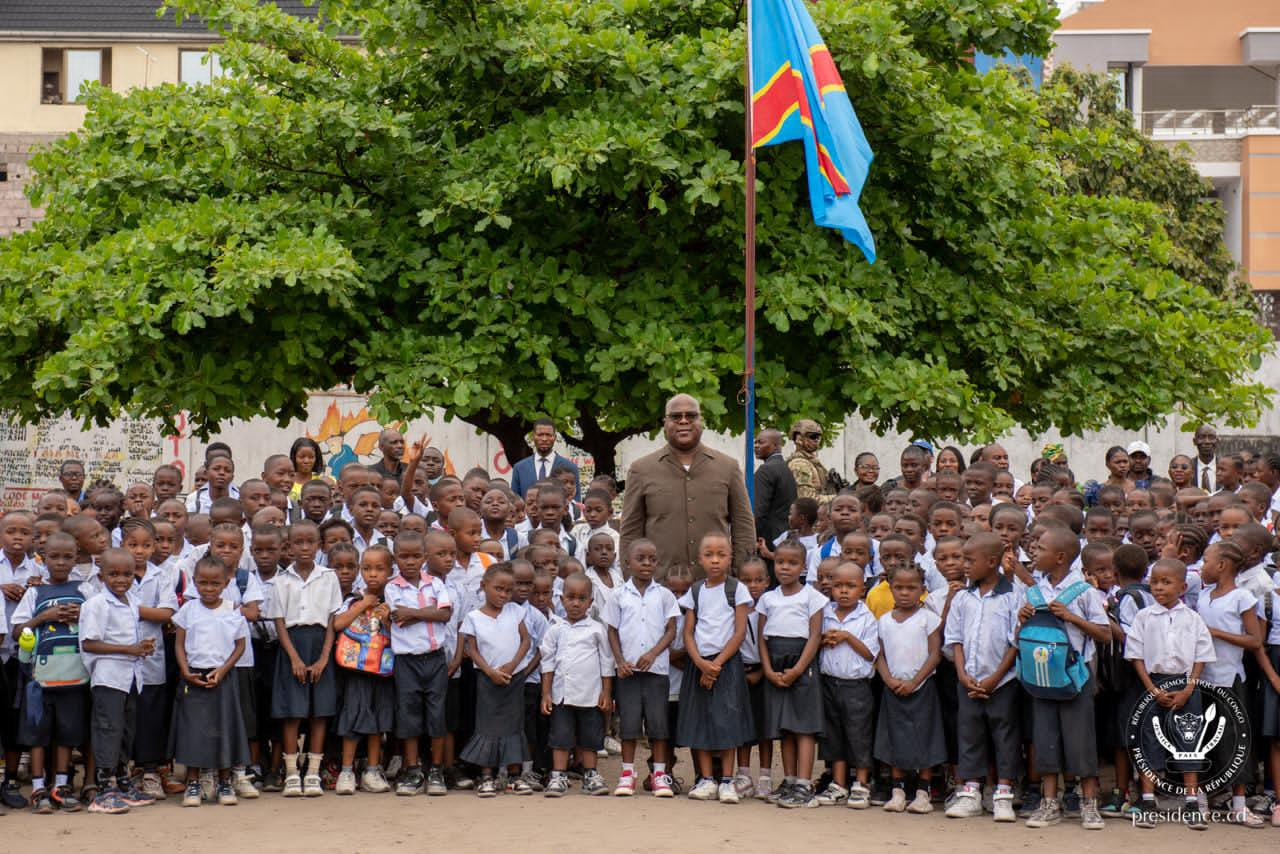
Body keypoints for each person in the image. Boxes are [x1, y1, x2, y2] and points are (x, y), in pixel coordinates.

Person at [1017, 526, 1110, 830]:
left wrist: (1071, 617)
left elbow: (1105, 634)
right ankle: (1048, 803)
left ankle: (1088, 803)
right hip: (1041, 678)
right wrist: (1021, 621)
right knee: (1045, 740)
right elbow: (1018, 638)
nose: (1034, 552)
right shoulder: (1033, 591)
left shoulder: (1084, 592)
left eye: (1041, 548)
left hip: (1074, 679)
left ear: (1059, 557)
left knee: (1080, 741)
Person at [1123, 559, 1216, 830]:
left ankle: (1191, 802)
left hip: (1186, 686)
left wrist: (1189, 688)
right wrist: (1152, 689)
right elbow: (1136, 656)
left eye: (1166, 582)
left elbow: (1201, 656)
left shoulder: (1193, 618)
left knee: (1189, 741)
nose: (1159, 587)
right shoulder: (1144, 617)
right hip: (1153, 684)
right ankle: (1149, 801)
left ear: (1183, 586)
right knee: (1148, 740)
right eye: (1154, 582)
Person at [620, 394, 755, 578]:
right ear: (664, 423)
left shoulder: (728, 467)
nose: (684, 421)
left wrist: (742, 575)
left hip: (716, 586)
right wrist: (633, 581)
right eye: (676, 417)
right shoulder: (641, 470)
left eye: (691, 416)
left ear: (702, 421)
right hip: (660, 587)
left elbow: (744, 526)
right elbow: (630, 532)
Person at [943, 533, 1022, 822]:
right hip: (968, 680)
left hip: (1003, 681)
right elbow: (955, 640)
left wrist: (995, 677)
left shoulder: (1013, 596)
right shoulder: (962, 598)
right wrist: (963, 674)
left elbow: (1016, 641)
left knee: (1004, 735)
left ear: (992, 562)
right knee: (970, 734)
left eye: (969, 559)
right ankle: (971, 791)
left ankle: (1003, 793)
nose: (963, 565)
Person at [12, 531, 89, 814]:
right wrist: (44, 617)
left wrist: (82, 615)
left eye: (67, 557)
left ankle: (61, 786)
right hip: (41, 679)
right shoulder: (35, 592)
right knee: (37, 735)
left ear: (76, 557)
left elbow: (98, 620)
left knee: (67, 733)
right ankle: (37, 788)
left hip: (75, 676)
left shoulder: (85, 590)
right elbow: (18, 630)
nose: (60, 562)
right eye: (54, 557)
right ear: (43, 559)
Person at [676, 532, 755, 803]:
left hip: (727, 664)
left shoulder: (737, 589)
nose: (715, 560)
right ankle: (706, 779)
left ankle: (727, 781)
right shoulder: (695, 591)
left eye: (721, 555)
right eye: (709, 555)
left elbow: (740, 631)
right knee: (699, 719)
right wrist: (700, 663)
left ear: (730, 557)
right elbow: (688, 632)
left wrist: (716, 665)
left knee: (727, 720)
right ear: (700, 559)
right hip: (698, 663)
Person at [79, 548, 158, 814]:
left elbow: (129, 640)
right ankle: (104, 789)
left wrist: (143, 646)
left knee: (126, 731)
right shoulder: (96, 604)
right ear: (101, 577)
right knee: (108, 730)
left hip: (131, 677)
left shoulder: (132, 601)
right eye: (113, 574)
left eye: (127, 574)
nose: (121, 579)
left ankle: (123, 782)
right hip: (108, 677)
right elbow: (89, 643)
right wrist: (129, 650)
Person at [266, 520, 341, 798]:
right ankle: (292, 772)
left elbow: (332, 619)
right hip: (292, 647)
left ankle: (312, 772)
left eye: (311, 542)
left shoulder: (328, 577)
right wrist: (294, 659)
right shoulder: (281, 581)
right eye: (299, 542)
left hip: (321, 643)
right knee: (292, 712)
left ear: (319, 545)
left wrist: (324, 658)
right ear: (289, 546)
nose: (305, 547)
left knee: (319, 711)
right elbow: (280, 623)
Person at [1195, 540, 1267, 827]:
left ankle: (1239, 804)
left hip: (1230, 678)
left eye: (1206, 561)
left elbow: (1254, 640)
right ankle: (1199, 801)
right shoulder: (1202, 596)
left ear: (1222, 565)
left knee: (1235, 740)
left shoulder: (1242, 598)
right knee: (1201, 738)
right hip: (1202, 677)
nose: (1202, 567)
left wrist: (1215, 632)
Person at [171, 554, 251, 808]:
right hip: (193, 676)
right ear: (194, 582)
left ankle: (225, 782)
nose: (208, 589)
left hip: (223, 677)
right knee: (194, 731)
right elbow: (179, 644)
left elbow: (240, 646)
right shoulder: (188, 609)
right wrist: (185, 670)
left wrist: (224, 670)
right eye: (202, 583)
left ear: (226, 583)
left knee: (224, 728)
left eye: (214, 584)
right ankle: (193, 783)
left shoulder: (232, 611)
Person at [603, 539, 679, 798]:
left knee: (658, 724)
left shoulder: (665, 595)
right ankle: (627, 773)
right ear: (627, 563)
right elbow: (611, 630)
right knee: (629, 724)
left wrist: (653, 653)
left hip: (656, 671)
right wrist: (620, 660)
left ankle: (659, 774)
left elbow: (671, 630)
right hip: (628, 673)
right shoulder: (618, 596)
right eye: (641, 559)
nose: (647, 564)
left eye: (652, 559)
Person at [756, 539, 827, 809]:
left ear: (804, 566)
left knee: (803, 726)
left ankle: (804, 783)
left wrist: (798, 669)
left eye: (792, 563)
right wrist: (768, 670)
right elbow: (762, 637)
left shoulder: (812, 597)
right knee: (784, 727)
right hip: (774, 661)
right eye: (780, 562)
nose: (785, 567)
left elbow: (815, 635)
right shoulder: (768, 598)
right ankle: (788, 780)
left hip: (802, 662)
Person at [383, 532, 452, 797]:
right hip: (406, 662)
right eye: (403, 556)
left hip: (434, 658)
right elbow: (398, 618)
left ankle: (435, 770)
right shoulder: (392, 587)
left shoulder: (434, 583)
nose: (409, 561)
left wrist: (413, 613)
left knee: (436, 715)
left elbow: (445, 614)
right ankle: (412, 770)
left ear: (424, 557)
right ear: (395, 558)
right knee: (409, 714)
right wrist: (428, 614)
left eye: (415, 556)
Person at [874, 563, 945, 814]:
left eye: (911, 588)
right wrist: (888, 679)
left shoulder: (929, 619)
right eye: (899, 587)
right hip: (893, 687)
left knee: (924, 737)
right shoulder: (883, 621)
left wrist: (915, 681)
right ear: (890, 588)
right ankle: (898, 790)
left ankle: (923, 792)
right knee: (895, 737)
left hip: (922, 687)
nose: (905, 592)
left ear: (923, 590)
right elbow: (879, 654)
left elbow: (935, 654)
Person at [540, 572, 614, 797]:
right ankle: (558, 776)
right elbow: (547, 662)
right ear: (561, 599)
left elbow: (606, 663)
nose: (575, 603)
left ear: (590, 602)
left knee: (590, 738)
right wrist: (546, 694)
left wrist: (606, 692)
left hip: (590, 696)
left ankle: (590, 774)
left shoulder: (596, 630)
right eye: (570, 597)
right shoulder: (555, 629)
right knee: (561, 737)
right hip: (561, 696)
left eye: (582, 598)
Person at [460, 563, 531, 796]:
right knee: (487, 727)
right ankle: (486, 777)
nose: (503, 595)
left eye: (508, 590)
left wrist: (512, 665)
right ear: (484, 586)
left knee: (514, 726)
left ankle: (514, 776)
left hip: (514, 678)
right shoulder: (473, 617)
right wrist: (490, 671)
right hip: (487, 679)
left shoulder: (515, 611)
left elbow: (526, 641)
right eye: (498, 589)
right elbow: (471, 649)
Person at [330, 545, 395, 795]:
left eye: (379, 569)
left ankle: (372, 770)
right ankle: (347, 771)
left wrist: (388, 617)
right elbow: (337, 624)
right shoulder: (353, 598)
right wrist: (362, 605)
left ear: (390, 571)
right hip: (356, 670)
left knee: (378, 720)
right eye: (367, 569)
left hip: (383, 670)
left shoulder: (393, 599)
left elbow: (399, 634)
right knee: (353, 716)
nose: (373, 575)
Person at [814, 561, 877, 809]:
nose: (843, 591)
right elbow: (814, 643)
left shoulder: (867, 618)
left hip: (856, 686)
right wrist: (823, 640)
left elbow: (870, 653)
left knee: (858, 734)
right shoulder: (825, 613)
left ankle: (861, 784)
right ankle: (838, 784)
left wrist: (847, 637)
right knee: (834, 734)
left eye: (850, 586)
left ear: (862, 589)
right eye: (838, 585)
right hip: (830, 683)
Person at [511, 419, 580, 501]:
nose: (544, 439)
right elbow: (514, 501)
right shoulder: (519, 468)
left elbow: (576, 502)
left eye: (548, 435)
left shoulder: (570, 467)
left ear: (554, 437)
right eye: (540, 435)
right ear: (533, 436)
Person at [753, 428, 798, 547]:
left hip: (767, 538)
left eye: (761, 442)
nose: (756, 446)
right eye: (755, 442)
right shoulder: (784, 467)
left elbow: (757, 510)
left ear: (775, 446)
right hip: (783, 534)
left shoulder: (766, 470)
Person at [786, 419, 830, 501]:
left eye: (818, 437)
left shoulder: (812, 462)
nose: (816, 440)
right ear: (798, 438)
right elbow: (806, 499)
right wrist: (837, 498)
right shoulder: (799, 465)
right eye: (812, 436)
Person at [1191, 425, 1219, 493]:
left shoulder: (1226, 467)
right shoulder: (1188, 466)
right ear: (1195, 441)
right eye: (1202, 437)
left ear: (1217, 441)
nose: (1207, 441)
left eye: (1211, 437)